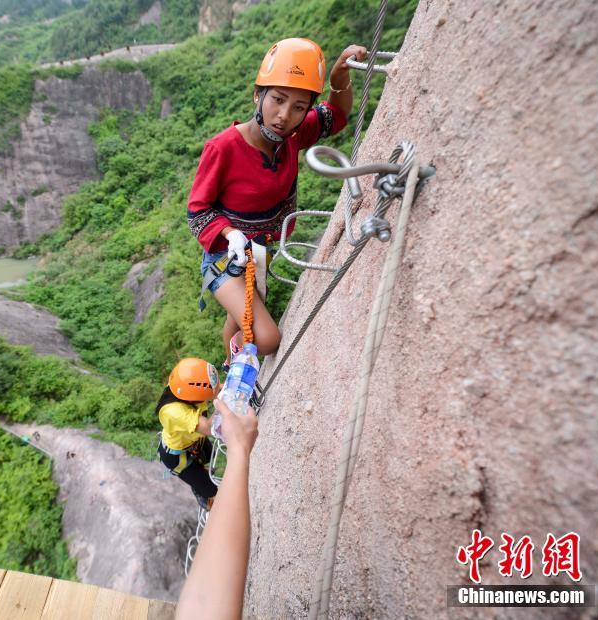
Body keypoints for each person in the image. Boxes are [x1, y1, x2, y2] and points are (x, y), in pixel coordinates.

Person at [188, 38, 368, 363]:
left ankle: (230, 361)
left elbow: (336, 115)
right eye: (278, 99)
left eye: (299, 106)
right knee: (268, 339)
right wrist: (230, 235)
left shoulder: (293, 137)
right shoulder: (223, 148)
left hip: (260, 255)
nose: (283, 115)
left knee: (238, 319)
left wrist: (339, 78)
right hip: (224, 259)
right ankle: (240, 370)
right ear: (258, 95)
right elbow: (198, 211)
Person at [176, 397, 259, 619]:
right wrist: (239, 449)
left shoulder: (181, 408)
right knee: (207, 488)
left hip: (189, 450)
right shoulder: (175, 412)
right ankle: (208, 499)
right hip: (183, 458)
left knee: (204, 480)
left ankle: (208, 497)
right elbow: (204, 606)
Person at [157, 358, 221, 510]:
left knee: (210, 455)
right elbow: (209, 427)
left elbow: (216, 389)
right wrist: (225, 398)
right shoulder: (173, 412)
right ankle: (200, 491)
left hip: (194, 440)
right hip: (177, 456)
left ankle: (201, 475)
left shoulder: (182, 386)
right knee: (210, 489)